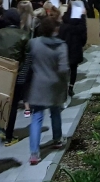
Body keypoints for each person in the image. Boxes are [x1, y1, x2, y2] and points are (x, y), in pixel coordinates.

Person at [25, 17, 69, 165]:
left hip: (37, 85)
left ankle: (34, 153)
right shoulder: (62, 46)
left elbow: (27, 63)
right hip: (55, 85)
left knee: (36, 117)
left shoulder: (33, 43)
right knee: (55, 113)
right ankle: (57, 139)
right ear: (55, 30)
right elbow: (64, 68)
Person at [59, 6, 87, 97]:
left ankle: (63, 87)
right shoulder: (79, 26)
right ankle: (71, 87)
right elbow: (84, 36)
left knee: (63, 69)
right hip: (75, 48)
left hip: (64, 50)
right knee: (74, 68)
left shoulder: (63, 25)